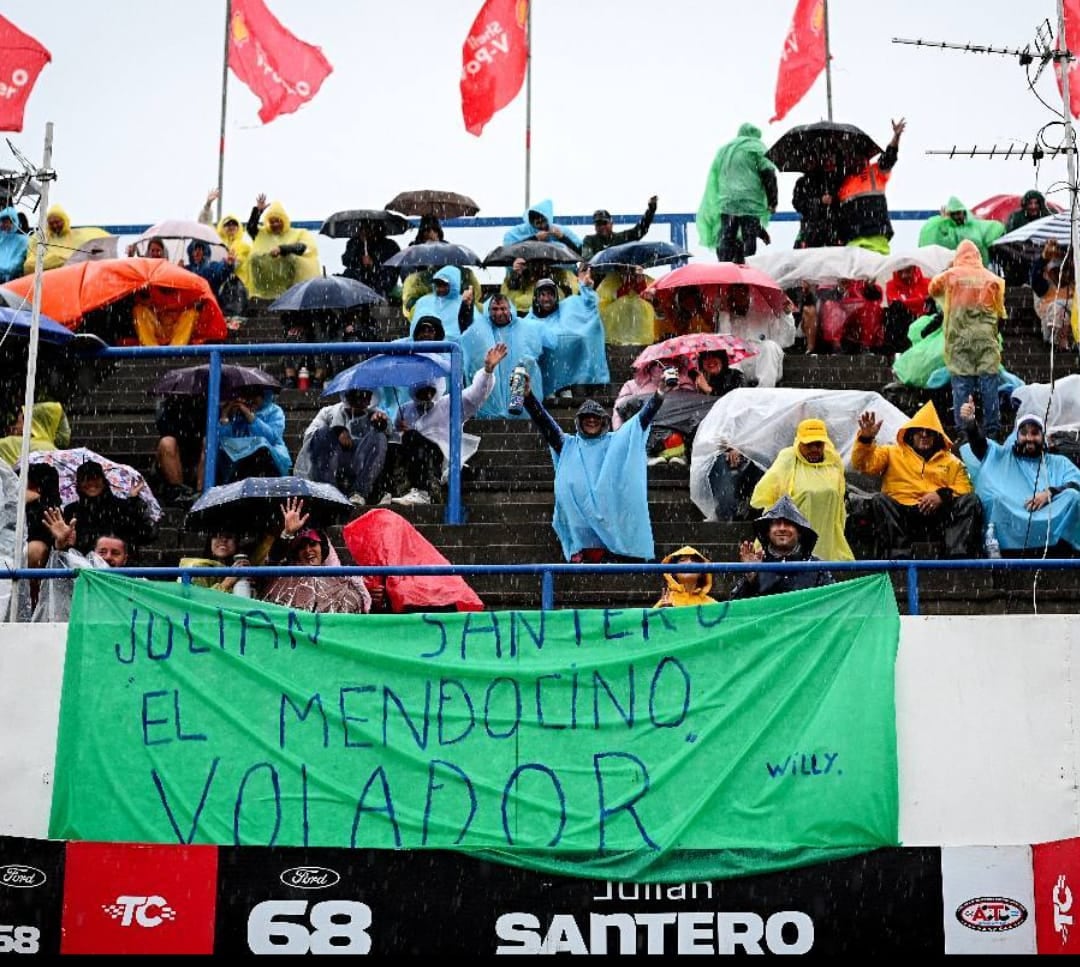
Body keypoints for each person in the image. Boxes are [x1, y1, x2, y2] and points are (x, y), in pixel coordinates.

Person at [521, 368, 670, 563]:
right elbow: (545, 423)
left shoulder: (616, 441)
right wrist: (528, 397)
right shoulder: (567, 444)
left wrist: (659, 395)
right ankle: (584, 552)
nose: (591, 420)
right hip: (578, 515)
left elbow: (640, 421)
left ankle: (612, 553)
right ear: (578, 422)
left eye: (596, 417)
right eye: (586, 417)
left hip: (611, 512)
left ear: (604, 422)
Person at [852, 401, 983, 559]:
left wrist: (942, 495)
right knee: (880, 501)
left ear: (937, 436)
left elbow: (966, 489)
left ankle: (957, 559)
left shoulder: (952, 462)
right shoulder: (891, 452)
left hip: (939, 517)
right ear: (911, 434)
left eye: (929, 432)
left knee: (971, 501)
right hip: (902, 516)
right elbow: (863, 465)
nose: (924, 435)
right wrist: (866, 439)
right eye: (919, 431)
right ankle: (899, 558)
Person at [391, 343, 507, 505]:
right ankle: (392, 491)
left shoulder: (448, 404)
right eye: (421, 391)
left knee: (413, 439)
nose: (426, 395)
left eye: (430, 391)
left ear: (436, 390)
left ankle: (426, 491)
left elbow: (475, 396)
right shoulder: (405, 410)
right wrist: (398, 430)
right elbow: (396, 438)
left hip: (439, 456)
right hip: (413, 459)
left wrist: (488, 371)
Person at [959, 403, 1080, 556]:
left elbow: (1076, 483)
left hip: (1049, 513)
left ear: (1043, 436)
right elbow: (979, 445)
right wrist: (971, 424)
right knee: (996, 499)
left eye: (1035, 433)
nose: (1029, 438)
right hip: (1012, 516)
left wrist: (1050, 492)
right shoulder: (1001, 455)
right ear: (1016, 435)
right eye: (1024, 433)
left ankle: (1065, 547)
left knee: (1073, 497)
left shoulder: (1059, 462)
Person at [928, 239, 1008, 440]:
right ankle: (992, 429)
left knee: (962, 386)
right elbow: (1000, 312)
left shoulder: (952, 275)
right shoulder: (992, 279)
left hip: (960, 340)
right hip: (985, 340)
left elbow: (933, 289)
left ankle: (964, 431)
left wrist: (949, 272)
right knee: (989, 383)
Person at [750, 418, 855, 562]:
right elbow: (764, 495)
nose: (814, 449)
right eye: (808, 444)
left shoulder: (834, 462)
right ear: (799, 442)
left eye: (818, 444)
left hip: (826, 536)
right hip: (792, 535)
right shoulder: (787, 458)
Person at [260, 498, 372, 614]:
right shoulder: (286, 578)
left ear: (322, 548)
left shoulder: (343, 584)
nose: (308, 550)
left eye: (313, 544)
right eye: (302, 547)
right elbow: (272, 562)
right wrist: (287, 533)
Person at [696, 122, 777, 264]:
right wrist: (772, 201)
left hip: (728, 201)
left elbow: (714, 177)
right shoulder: (756, 147)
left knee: (727, 235)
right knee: (748, 237)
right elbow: (768, 173)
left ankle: (725, 266)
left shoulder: (726, 150)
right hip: (750, 201)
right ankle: (747, 267)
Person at [293, 388, 391, 507]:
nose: (363, 400)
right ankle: (328, 491)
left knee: (379, 436)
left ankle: (359, 493)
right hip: (333, 464)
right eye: (358, 395)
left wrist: (382, 426)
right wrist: (336, 431)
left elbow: (392, 438)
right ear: (348, 396)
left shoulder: (376, 414)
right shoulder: (328, 412)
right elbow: (309, 436)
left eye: (367, 396)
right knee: (322, 433)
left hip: (360, 468)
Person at [525, 270, 610, 401]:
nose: (546, 299)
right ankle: (549, 387)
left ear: (556, 296)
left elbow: (589, 305)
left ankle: (564, 386)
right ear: (536, 297)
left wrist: (586, 287)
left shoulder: (566, 307)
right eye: (542, 295)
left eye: (550, 294)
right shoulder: (531, 318)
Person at [729, 495, 835, 599]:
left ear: (799, 532)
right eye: (777, 523)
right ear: (768, 531)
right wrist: (750, 579)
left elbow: (832, 603)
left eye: (788, 524)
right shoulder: (758, 565)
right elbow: (734, 608)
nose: (782, 528)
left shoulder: (816, 567)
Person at [459, 292, 546, 419]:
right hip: (490, 398)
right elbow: (465, 330)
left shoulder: (527, 328)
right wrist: (465, 307)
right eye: (495, 309)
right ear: (488, 311)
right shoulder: (479, 328)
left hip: (519, 389)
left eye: (503, 309)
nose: (499, 313)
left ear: (510, 309)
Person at [61, 459, 158, 558]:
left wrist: (134, 502)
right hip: (83, 565)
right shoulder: (71, 510)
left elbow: (144, 535)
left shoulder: (122, 506)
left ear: (103, 481)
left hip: (117, 566)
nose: (91, 483)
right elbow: (66, 545)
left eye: (95, 478)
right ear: (79, 485)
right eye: (86, 479)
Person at [836, 117, 905, 253]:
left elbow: (890, 157)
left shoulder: (875, 170)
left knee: (878, 271)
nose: (854, 159)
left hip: (876, 235)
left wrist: (896, 136)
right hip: (853, 239)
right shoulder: (842, 180)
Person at [714, 282, 794, 387]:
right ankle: (737, 390)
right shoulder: (727, 320)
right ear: (730, 299)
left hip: (764, 365)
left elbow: (785, 341)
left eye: (741, 295)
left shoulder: (765, 316)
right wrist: (723, 313)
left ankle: (764, 393)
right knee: (728, 349)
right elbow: (724, 341)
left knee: (769, 346)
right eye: (735, 297)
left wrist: (786, 315)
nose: (738, 300)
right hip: (740, 368)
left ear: (748, 297)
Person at [245, 195, 320, 301]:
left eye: (278, 221)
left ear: (284, 220)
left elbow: (304, 248)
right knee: (255, 258)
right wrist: (257, 212)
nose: (275, 224)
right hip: (262, 292)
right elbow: (251, 228)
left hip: (289, 291)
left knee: (291, 259)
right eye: (272, 221)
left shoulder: (299, 233)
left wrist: (282, 249)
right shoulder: (262, 234)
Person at [215, 386, 292, 484]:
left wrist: (251, 417)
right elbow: (225, 442)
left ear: (263, 396)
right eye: (248, 396)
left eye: (255, 397)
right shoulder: (237, 414)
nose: (251, 400)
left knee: (260, 450)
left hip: (271, 458)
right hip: (239, 461)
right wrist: (225, 417)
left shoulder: (274, 411)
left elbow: (271, 438)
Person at [918, 197, 1006, 265]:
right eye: (954, 214)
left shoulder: (974, 226)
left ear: (964, 213)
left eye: (958, 213)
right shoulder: (943, 229)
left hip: (976, 270)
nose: (957, 217)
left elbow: (995, 228)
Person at [23, 204, 109, 273]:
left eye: (57, 222)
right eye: (51, 223)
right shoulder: (42, 239)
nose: (55, 225)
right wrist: (58, 260)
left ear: (64, 220)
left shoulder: (79, 236)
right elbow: (29, 266)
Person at [154, 395, 206, 506]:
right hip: (176, 454)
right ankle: (179, 492)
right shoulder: (170, 406)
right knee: (167, 442)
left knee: (208, 442)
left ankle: (201, 492)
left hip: (200, 455)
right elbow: (164, 429)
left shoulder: (209, 402)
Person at [407, 265, 477, 340]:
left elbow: (469, 331)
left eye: (444, 285)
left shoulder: (463, 302)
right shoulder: (423, 302)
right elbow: (414, 330)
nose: (440, 289)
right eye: (437, 285)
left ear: (453, 284)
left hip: (452, 349)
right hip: (422, 347)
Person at [1029, 239, 1076, 350]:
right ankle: (1056, 340)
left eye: (1063, 270)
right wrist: (1043, 259)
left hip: (1072, 327)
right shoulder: (1044, 283)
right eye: (1057, 270)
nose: (1062, 273)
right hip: (1052, 324)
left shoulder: (1073, 284)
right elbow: (1036, 282)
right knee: (1057, 308)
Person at [580, 196, 658, 261]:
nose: (602, 227)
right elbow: (588, 258)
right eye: (599, 224)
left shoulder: (621, 238)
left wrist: (651, 210)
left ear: (611, 223)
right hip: (597, 278)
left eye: (604, 223)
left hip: (618, 277)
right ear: (595, 226)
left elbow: (640, 230)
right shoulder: (589, 240)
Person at [500, 256, 579, 316]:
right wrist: (516, 275)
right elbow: (507, 298)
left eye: (542, 264)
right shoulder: (520, 279)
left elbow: (570, 292)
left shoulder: (558, 277)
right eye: (533, 264)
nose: (540, 267)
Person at [178, 529, 251, 593]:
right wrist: (228, 582)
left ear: (236, 542)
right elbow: (200, 602)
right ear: (210, 541)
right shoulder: (198, 568)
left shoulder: (245, 567)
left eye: (229, 536)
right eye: (217, 535)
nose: (223, 540)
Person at [792, 159, 843, 249]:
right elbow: (798, 204)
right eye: (807, 162)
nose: (808, 165)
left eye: (811, 162)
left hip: (833, 228)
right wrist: (819, 201)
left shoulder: (833, 180)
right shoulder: (802, 182)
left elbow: (841, 201)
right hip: (811, 230)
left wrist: (833, 200)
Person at [341, 221, 400, 298]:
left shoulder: (389, 245)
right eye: (362, 229)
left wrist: (373, 263)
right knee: (348, 275)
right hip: (360, 278)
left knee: (384, 280)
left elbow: (393, 268)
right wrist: (359, 259)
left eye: (368, 229)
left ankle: (379, 300)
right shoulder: (354, 243)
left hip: (380, 278)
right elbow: (346, 260)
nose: (364, 232)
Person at [0, 401, 71, 466]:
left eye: (18, 422)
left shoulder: (11, 443)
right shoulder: (56, 453)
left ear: (31, 424)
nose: (15, 426)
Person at [502, 198, 582, 254]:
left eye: (543, 220)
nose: (541, 225)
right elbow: (510, 252)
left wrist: (562, 238)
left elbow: (579, 252)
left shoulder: (561, 231)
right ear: (531, 222)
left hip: (560, 272)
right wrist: (534, 239)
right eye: (537, 222)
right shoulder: (517, 233)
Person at [653, 545, 719, 608]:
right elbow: (648, 619)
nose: (689, 563)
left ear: (702, 574)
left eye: (694, 560)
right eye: (683, 560)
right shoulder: (666, 601)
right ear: (673, 573)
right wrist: (665, 612)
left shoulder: (712, 604)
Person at [183, 239, 237, 305]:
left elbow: (221, 271)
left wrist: (228, 265)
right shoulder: (186, 269)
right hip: (190, 308)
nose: (196, 253)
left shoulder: (211, 267)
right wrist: (178, 270)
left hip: (208, 307)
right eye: (194, 250)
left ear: (205, 252)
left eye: (199, 249)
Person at [0, 206, 28, 283]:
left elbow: (17, 263)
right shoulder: (2, 238)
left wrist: (3, 269)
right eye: (2, 221)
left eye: (6, 221)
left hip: (10, 280)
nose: (3, 224)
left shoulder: (23, 240)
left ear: (14, 222)